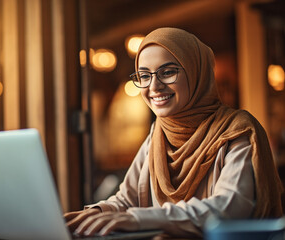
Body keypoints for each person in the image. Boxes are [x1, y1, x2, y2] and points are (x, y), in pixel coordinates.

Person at [64, 27, 284, 237]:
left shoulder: (237, 129)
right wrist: (95, 214)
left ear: (196, 72)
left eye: (167, 72)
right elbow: (126, 201)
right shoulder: (158, 134)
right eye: (144, 75)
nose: (154, 87)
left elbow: (229, 208)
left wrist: (140, 219)